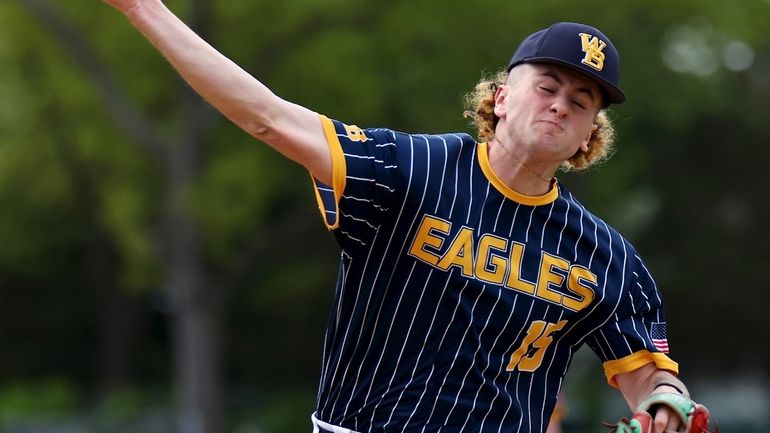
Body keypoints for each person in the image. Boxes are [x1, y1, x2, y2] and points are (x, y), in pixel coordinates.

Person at [101, 2, 707, 432]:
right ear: (500, 96)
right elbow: (269, 117)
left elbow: (650, 377)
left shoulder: (605, 257)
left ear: (587, 138)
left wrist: (666, 406)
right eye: (547, 86)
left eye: (581, 103)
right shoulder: (408, 168)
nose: (560, 106)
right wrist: (143, 8)